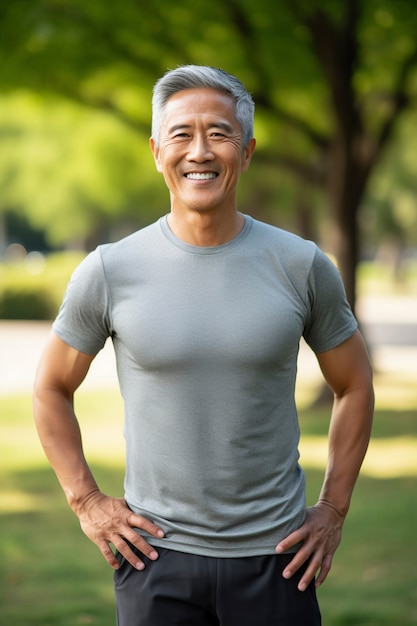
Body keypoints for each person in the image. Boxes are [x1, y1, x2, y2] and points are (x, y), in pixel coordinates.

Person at [33, 65, 374, 626]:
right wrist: (88, 503)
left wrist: (333, 509)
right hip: (155, 559)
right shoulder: (110, 270)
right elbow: (50, 386)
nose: (200, 151)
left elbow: (355, 384)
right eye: (181, 135)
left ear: (248, 151)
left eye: (219, 133)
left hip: (279, 560)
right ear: (155, 151)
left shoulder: (302, 265)